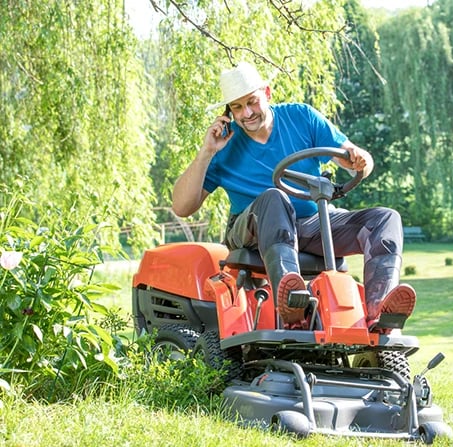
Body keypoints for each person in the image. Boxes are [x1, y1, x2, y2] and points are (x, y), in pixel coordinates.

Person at [171, 62, 415, 331]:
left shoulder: (301, 117)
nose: (247, 113)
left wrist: (361, 161)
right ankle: (291, 305)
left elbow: (355, 157)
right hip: (251, 228)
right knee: (274, 197)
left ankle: (379, 313)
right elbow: (182, 207)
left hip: (309, 225)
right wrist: (207, 151)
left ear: (267, 92)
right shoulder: (224, 144)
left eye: (251, 102)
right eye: (237, 107)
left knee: (384, 219)